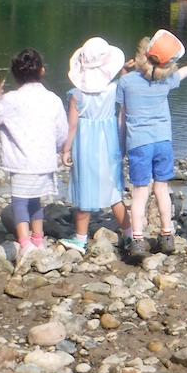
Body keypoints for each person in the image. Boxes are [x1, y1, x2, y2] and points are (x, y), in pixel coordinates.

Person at [117, 29, 187, 261]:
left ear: (144, 52)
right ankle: (167, 235)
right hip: (163, 142)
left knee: (139, 194)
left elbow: (121, 118)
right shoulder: (167, 80)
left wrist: (120, 147)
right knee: (161, 189)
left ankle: (137, 240)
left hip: (139, 143)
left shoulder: (125, 81)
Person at [0, 48, 68, 270]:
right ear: (41, 70)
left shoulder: (11, 99)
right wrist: (58, 149)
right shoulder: (53, 99)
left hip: (21, 161)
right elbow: (62, 131)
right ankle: (38, 240)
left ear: (15, 74)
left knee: (20, 202)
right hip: (44, 160)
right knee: (35, 201)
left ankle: (24, 244)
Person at [59, 37, 132, 255]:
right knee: (114, 194)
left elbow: (71, 126)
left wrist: (65, 149)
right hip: (108, 142)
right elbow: (123, 94)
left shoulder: (76, 95)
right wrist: (124, 73)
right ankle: (129, 237)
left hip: (85, 145)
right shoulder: (113, 89)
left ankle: (80, 240)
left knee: (85, 191)